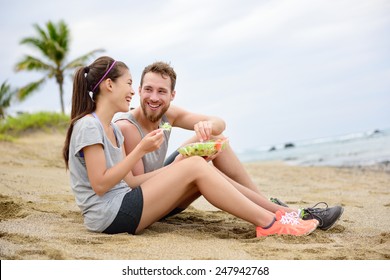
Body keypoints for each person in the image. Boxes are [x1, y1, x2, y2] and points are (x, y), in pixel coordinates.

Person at [62, 56, 319, 237]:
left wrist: (175, 165)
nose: (132, 91)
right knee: (195, 165)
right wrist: (142, 151)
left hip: (123, 204)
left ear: (172, 94)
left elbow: (126, 181)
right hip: (109, 217)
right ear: (109, 85)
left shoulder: (110, 128)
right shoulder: (90, 126)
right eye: (130, 84)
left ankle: (276, 213)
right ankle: (271, 221)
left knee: (200, 158)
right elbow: (101, 184)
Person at [113, 61, 344, 231]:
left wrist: (206, 125)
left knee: (215, 139)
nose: (154, 97)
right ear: (139, 91)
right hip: (149, 203)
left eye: (161, 91)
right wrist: (180, 166)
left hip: (165, 182)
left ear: (172, 95)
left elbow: (220, 123)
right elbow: (135, 190)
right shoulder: (127, 128)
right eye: (148, 89)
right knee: (195, 163)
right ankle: (284, 214)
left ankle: (269, 204)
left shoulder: (168, 114)